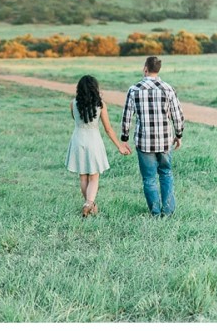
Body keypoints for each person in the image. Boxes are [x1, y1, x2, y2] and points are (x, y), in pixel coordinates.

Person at [120, 56, 185, 217]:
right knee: (166, 173)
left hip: (144, 141)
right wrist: (178, 135)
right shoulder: (168, 89)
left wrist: (124, 138)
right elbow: (178, 116)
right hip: (164, 141)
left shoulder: (134, 90)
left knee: (149, 178)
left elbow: (126, 117)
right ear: (158, 70)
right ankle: (168, 211)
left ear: (145, 68)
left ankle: (155, 213)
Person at [65, 75, 131, 218]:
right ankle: (89, 203)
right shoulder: (100, 104)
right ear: (95, 88)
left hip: (78, 139)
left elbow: (75, 119)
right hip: (93, 141)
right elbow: (108, 129)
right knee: (94, 177)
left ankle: (88, 204)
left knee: (83, 177)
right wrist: (119, 146)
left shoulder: (73, 103)